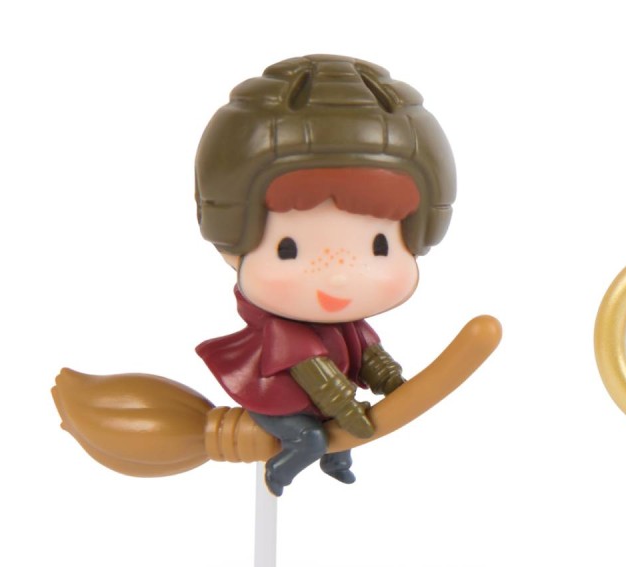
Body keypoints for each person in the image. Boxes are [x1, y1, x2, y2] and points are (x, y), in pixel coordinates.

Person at [194, 55, 457, 496]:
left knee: (337, 434)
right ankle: (280, 473)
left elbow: (367, 350)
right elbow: (319, 379)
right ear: (230, 241)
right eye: (289, 249)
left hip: (324, 397)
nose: (337, 278)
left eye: (379, 247)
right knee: (312, 437)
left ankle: (337, 459)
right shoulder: (285, 332)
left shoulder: (343, 322)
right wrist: (351, 413)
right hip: (275, 396)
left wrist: (392, 382)